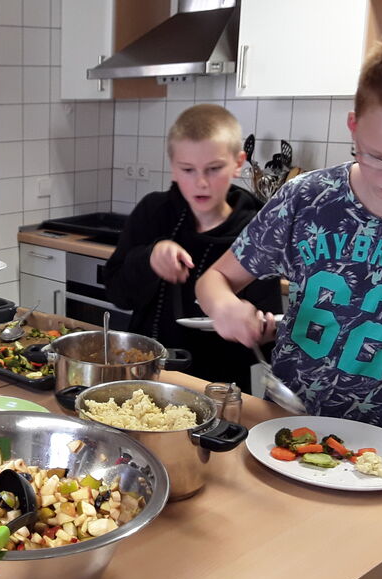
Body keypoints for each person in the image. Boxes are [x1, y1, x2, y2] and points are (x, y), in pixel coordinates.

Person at [195, 25, 382, 484]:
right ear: (353, 126)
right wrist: (225, 307)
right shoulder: (307, 198)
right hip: (285, 435)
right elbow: (213, 280)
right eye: (374, 155)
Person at [104, 104, 282, 391]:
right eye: (187, 169)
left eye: (214, 169)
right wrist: (148, 259)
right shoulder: (153, 212)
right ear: (173, 166)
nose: (201, 182)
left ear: (238, 163)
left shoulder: (258, 230)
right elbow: (116, 293)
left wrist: (259, 329)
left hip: (218, 387)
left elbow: (267, 324)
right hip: (145, 375)